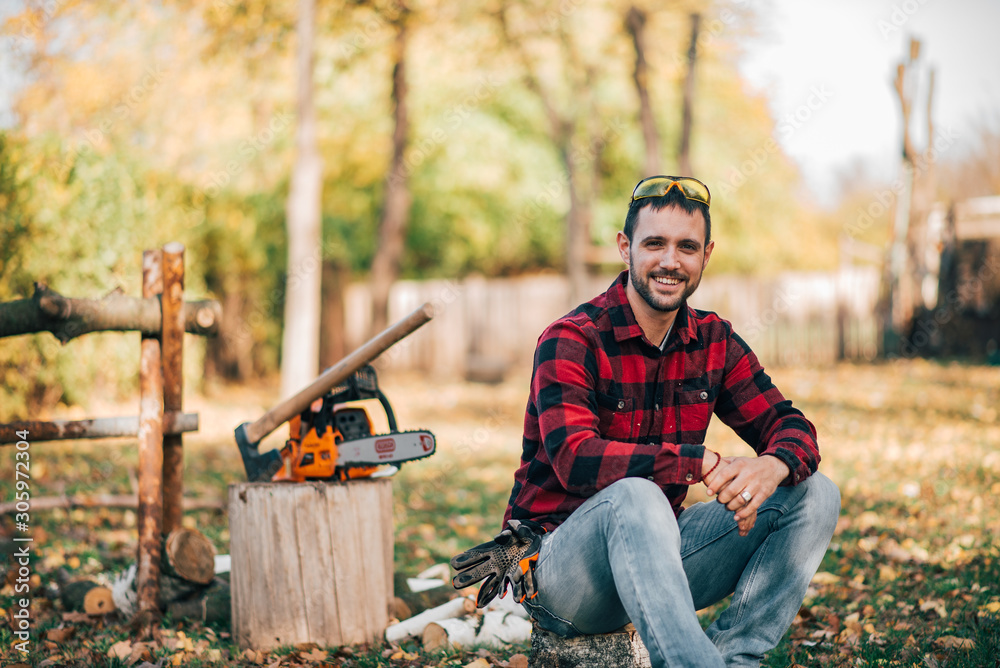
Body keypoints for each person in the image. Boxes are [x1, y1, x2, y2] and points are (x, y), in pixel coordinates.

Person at [502, 176, 841, 667]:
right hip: (559, 574)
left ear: (706, 255)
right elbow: (574, 459)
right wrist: (694, 462)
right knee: (637, 492)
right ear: (625, 248)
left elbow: (792, 426)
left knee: (815, 492)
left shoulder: (714, 341)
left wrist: (773, 466)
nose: (670, 261)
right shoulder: (571, 339)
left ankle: (734, 659)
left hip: (655, 564)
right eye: (654, 243)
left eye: (687, 246)